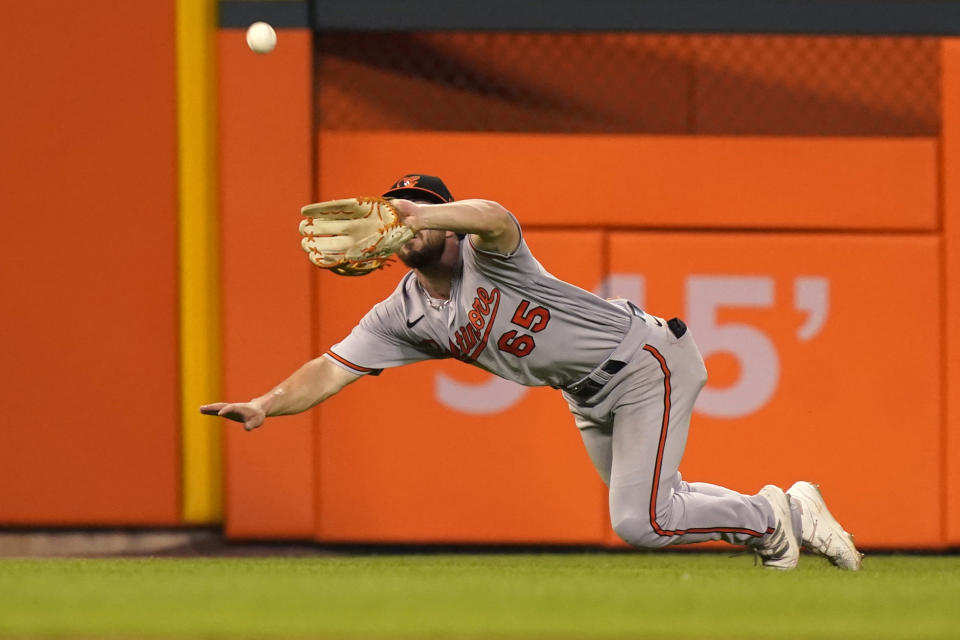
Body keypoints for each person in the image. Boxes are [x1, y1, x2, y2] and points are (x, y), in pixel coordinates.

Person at [201, 174, 862, 570]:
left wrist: (421, 211)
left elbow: (496, 217)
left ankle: (779, 518)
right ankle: (779, 518)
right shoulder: (401, 315)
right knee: (657, 511)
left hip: (642, 361)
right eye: (395, 207)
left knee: (642, 521)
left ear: (443, 219)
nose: (404, 215)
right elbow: (328, 369)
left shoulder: (490, 255)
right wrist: (265, 405)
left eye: (420, 206)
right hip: (585, 392)